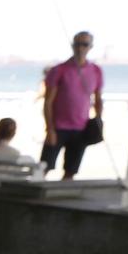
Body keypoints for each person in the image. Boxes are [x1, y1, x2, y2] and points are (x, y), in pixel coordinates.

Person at [41, 31, 103, 178]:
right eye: (77, 44)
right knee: (44, 167)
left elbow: (98, 98)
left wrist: (98, 121)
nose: (80, 48)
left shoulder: (96, 71)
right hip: (58, 127)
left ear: (90, 47)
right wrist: (50, 128)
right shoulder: (59, 70)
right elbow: (48, 102)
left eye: (84, 44)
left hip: (81, 128)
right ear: (73, 45)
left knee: (71, 170)